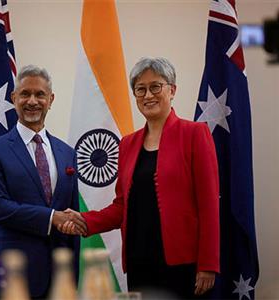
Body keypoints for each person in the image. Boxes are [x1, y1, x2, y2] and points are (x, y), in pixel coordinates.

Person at [59, 57, 220, 299]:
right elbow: (121, 206)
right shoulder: (128, 144)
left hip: (182, 263)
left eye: (156, 86)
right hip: (139, 261)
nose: (148, 95)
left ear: (172, 90)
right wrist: (85, 220)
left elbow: (209, 204)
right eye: (140, 89)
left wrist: (208, 264)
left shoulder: (195, 134)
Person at [0, 65, 86, 298]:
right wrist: (52, 218)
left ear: (51, 99)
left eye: (40, 94)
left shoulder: (67, 153)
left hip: (58, 280)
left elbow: (71, 217)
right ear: (14, 98)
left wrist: (73, 277)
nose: (32, 101)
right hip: (9, 277)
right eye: (25, 94)